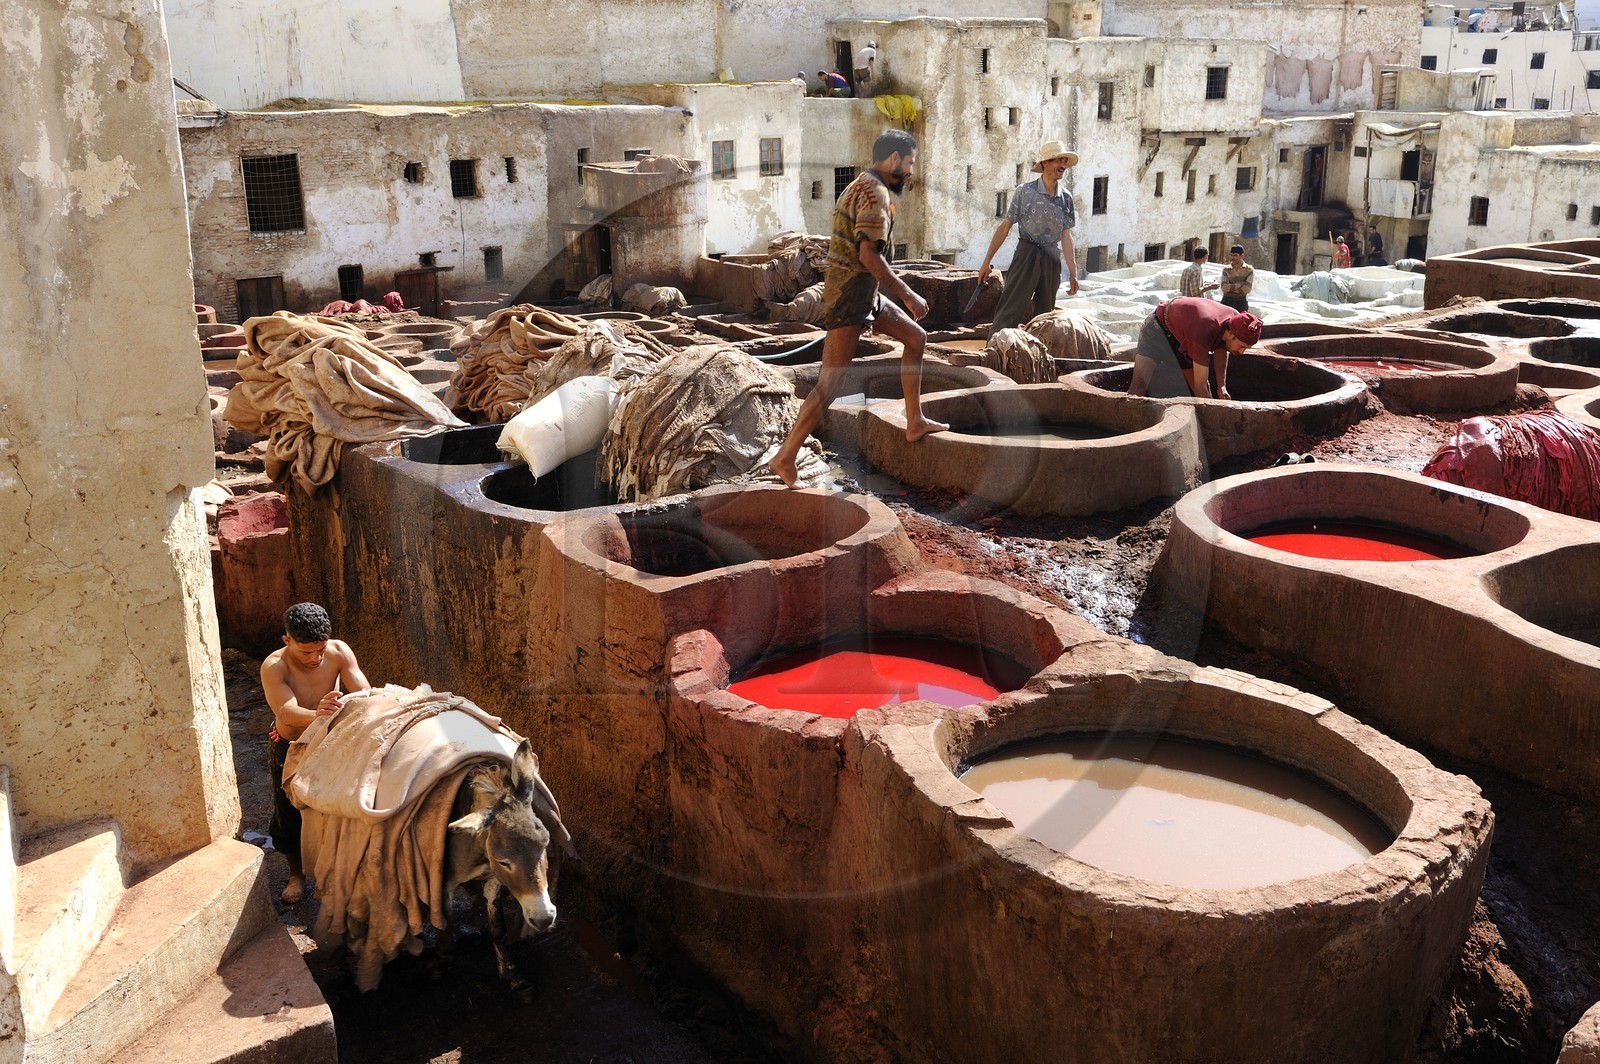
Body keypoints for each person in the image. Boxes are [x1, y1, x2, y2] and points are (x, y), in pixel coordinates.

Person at [769, 129, 947, 486]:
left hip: (862, 294)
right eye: (909, 163)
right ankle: (785, 457)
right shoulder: (876, 195)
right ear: (894, 159)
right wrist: (909, 295)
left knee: (915, 338)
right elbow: (869, 254)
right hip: (850, 296)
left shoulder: (859, 184)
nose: (910, 172)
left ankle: (914, 420)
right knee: (829, 385)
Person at [261, 601, 370, 905]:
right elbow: (286, 711)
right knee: (288, 813)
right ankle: (296, 875)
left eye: (319, 650)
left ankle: (341, 870)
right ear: (287, 641)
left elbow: (363, 693)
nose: (315, 658)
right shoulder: (274, 666)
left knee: (337, 805)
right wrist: (318, 713)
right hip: (290, 745)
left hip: (329, 742)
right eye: (306, 652)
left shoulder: (338, 652)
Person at [976, 140, 1081, 334]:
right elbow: (1005, 227)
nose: (1063, 166)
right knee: (1010, 307)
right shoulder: (1025, 192)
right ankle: (993, 351)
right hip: (1027, 253)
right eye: (1059, 160)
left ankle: (1037, 354)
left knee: (1045, 314)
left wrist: (1073, 273)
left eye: (1065, 161)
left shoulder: (1065, 197)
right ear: (1045, 163)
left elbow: (1066, 236)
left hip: (1051, 255)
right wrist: (986, 262)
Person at [1127, 296, 1262, 402]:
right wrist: (1216, 419)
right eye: (1242, 346)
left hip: (1184, 335)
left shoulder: (1235, 319)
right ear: (1231, 334)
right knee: (1138, 389)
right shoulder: (1203, 331)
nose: (1241, 352)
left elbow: (1222, 348)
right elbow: (1200, 387)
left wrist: (1221, 386)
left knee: (1201, 390)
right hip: (1158, 328)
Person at [1218, 244, 1254, 313]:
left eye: (1235, 255)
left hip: (1241, 302)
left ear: (1242, 255)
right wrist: (1241, 285)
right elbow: (1224, 288)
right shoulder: (1226, 269)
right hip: (1227, 301)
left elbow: (1247, 289)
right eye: (1231, 255)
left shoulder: (1249, 270)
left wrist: (1231, 287)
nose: (1232, 257)